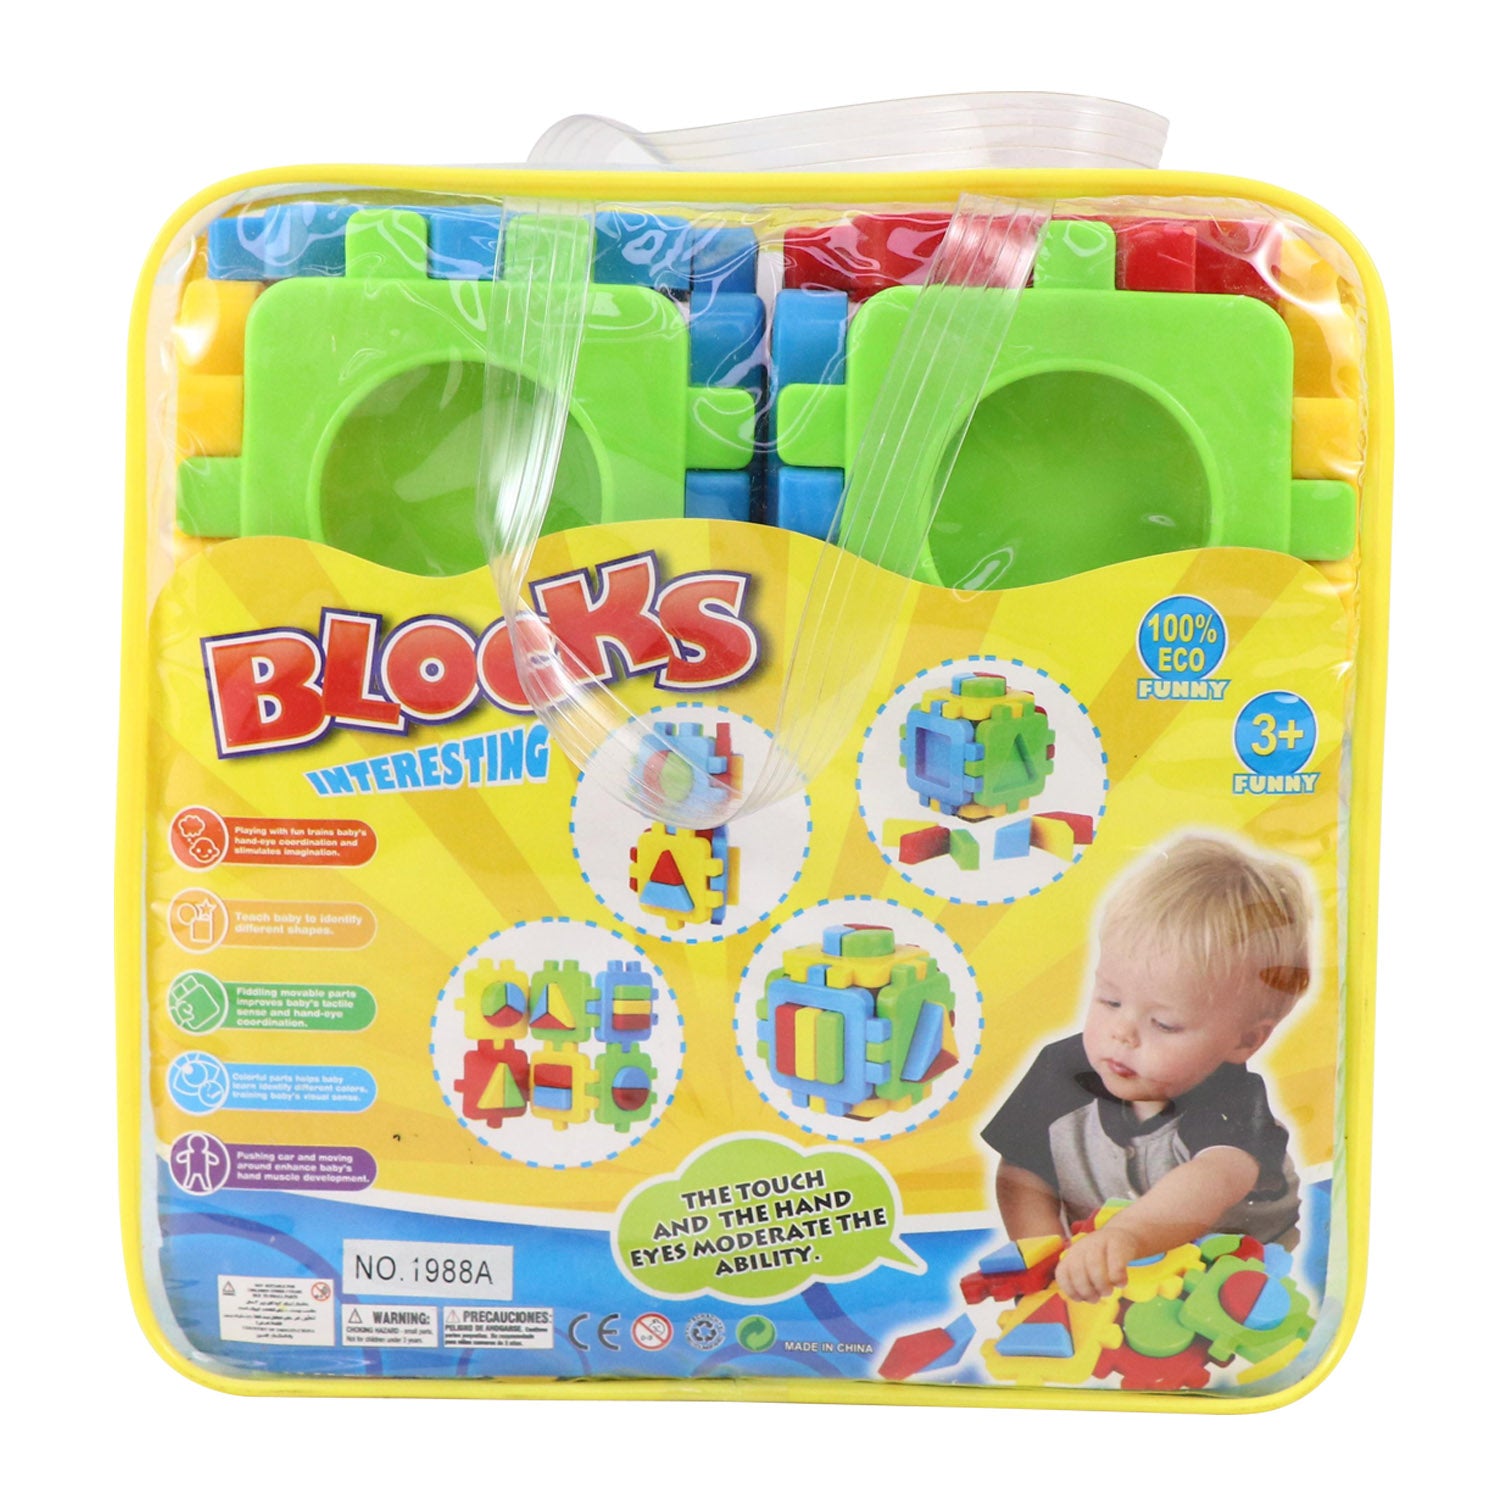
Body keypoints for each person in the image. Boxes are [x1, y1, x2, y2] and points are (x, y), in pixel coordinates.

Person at [982, 833, 1311, 1303]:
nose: (1122, 1033)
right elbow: (1023, 1175)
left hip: (1232, 1272)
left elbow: (1211, 1180)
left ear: (1244, 1040)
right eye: (1110, 1000)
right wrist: (1049, 1266)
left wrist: (1126, 1236)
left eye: (1164, 1024)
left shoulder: (1232, 1102)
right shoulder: (1062, 1071)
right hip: (1117, 1266)